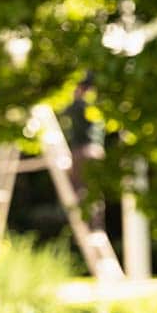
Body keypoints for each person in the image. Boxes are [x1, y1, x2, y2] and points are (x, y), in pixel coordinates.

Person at [61, 72, 106, 231]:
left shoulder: (81, 104)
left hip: (84, 150)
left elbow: (66, 111)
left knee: (80, 189)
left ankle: (87, 226)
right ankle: (96, 226)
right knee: (93, 191)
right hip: (96, 150)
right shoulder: (96, 102)